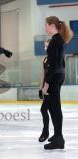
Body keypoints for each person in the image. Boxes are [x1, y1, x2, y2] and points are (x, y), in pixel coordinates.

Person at [42, 16, 73, 150]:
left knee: (55, 107)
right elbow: (61, 62)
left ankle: (59, 139)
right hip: (59, 74)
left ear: (52, 25)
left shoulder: (54, 41)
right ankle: (57, 135)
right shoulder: (58, 40)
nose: (45, 28)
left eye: (46, 25)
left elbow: (52, 64)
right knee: (52, 106)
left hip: (54, 77)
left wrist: (47, 83)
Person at [38, 39, 51, 142]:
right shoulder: (45, 59)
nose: (45, 48)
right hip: (45, 88)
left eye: (47, 46)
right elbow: (43, 74)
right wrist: (40, 89)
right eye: (45, 46)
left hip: (52, 87)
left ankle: (46, 132)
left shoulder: (54, 58)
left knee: (45, 109)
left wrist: (47, 87)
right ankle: (47, 132)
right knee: (47, 110)